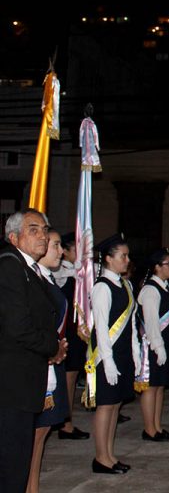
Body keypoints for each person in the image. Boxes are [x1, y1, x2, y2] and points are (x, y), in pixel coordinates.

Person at [0, 210, 66, 493]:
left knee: (17, 458)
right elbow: (18, 326)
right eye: (33, 229)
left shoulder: (29, 269)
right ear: (13, 237)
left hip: (24, 378)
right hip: (12, 382)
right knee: (11, 464)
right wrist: (52, 347)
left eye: (44, 229)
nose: (43, 235)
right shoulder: (10, 266)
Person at [86, 233, 136, 474]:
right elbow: (102, 328)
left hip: (123, 353)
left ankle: (109, 454)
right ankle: (100, 458)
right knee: (105, 405)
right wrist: (107, 362)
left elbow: (132, 325)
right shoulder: (102, 287)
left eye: (127, 255)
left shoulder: (125, 284)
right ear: (108, 259)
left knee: (116, 404)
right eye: (123, 256)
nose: (127, 260)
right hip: (108, 355)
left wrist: (135, 356)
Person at [28, 228, 70, 493]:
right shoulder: (34, 280)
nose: (61, 250)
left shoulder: (49, 278)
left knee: (42, 432)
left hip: (53, 359)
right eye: (56, 245)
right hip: (41, 361)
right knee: (34, 433)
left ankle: (33, 486)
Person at [136, 249, 169, 442]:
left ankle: (157, 426)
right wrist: (158, 346)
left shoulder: (166, 287)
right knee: (151, 387)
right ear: (157, 267)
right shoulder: (150, 290)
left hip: (167, 343)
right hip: (153, 346)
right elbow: (152, 322)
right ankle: (149, 429)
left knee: (160, 386)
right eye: (168, 264)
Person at [54, 231, 90, 441]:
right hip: (67, 332)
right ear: (66, 252)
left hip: (77, 332)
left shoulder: (78, 273)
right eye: (75, 249)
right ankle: (65, 424)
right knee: (67, 379)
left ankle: (67, 421)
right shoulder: (61, 274)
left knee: (73, 376)